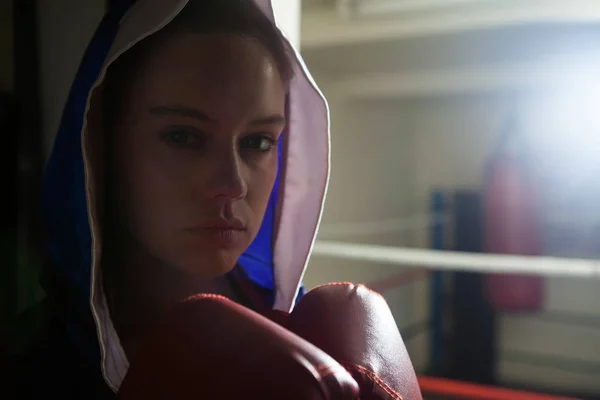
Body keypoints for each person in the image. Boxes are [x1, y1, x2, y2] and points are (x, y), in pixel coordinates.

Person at [12, 0, 330, 397]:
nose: (233, 184)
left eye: (257, 141)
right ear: (102, 145)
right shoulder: (29, 366)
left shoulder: (313, 330)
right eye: (182, 135)